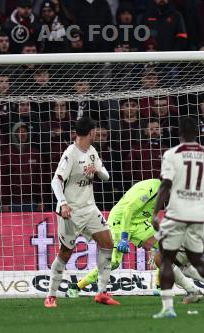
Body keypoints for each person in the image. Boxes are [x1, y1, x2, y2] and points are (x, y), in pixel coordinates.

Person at [65, 178, 203, 302]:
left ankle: (159, 287)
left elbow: (146, 215)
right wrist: (124, 238)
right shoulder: (151, 188)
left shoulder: (163, 193)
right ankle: (76, 287)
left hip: (138, 223)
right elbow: (128, 210)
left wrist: (153, 235)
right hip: (120, 221)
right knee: (113, 262)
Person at [152, 116, 204, 318]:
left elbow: (165, 185)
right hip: (198, 217)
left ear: (179, 135)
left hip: (177, 214)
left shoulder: (171, 154)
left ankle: (168, 308)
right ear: (198, 133)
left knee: (164, 259)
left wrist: (155, 212)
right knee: (196, 260)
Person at [44, 116, 119, 308]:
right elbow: (56, 181)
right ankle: (51, 296)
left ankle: (102, 292)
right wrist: (63, 204)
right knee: (66, 252)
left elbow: (106, 176)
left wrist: (97, 170)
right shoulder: (71, 153)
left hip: (90, 208)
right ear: (91, 132)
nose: (97, 134)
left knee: (107, 242)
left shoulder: (92, 151)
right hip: (72, 211)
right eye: (95, 131)